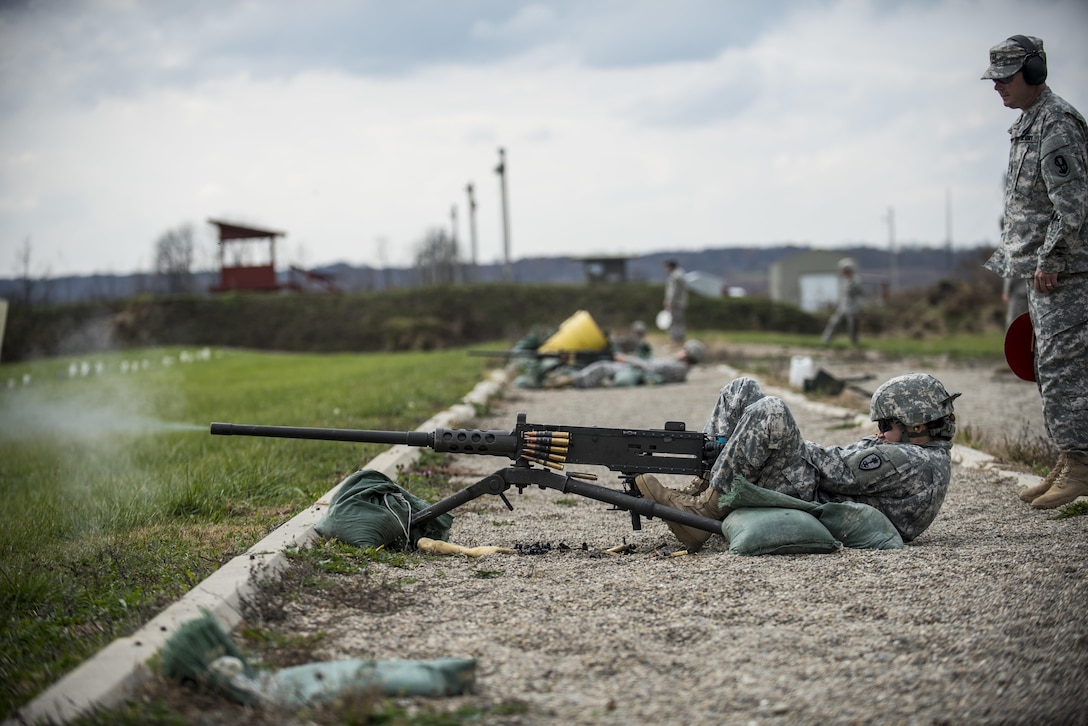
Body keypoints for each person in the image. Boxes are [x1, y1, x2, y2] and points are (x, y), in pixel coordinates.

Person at [636, 373, 960, 552]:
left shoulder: (911, 460)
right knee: (743, 389)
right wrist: (742, 442)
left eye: (886, 425)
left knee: (772, 411)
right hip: (814, 488)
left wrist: (759, 439)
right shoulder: (916, 454)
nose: (879, 432)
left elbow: (833, 469)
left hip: (815, 500)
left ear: (917, 426)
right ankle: (705, 488)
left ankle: (702, 512)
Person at [980, 35, 1088, 509]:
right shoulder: (1030, 123)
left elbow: (1073, 205)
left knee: (1065, 368)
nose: (998, 88)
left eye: (1005, 78)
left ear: (1034, 73)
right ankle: (1070, 458)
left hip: (1065, 273)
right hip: (1043, 271)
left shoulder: (1057, 124)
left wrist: (1052, 259)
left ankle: (1081, 468)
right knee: (1050, 367)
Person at [546, 339, 707, 389]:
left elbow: (650, 367)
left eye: (684, 349)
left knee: (602, 366)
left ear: (688, 354)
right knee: (602, 364)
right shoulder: (679, 367)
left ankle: (571, 381)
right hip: (638, 370)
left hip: (637, 371)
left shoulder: (678, 368)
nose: (680, 350)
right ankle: (567, 377)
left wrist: (626, 359)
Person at [821, 257, 864, 345]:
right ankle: (826, 340)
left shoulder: (856, 282)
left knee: (852, 327)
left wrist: (858, 311)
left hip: (853, 309)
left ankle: (854, 343)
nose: (842, 272)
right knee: (834, 322)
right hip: (843, 307)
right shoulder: (845, 281)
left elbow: (859, 297)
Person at [663, 260, 688, 346]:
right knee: (678, 321)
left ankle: (675, 339)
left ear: (670, 267)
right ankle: (679, 338)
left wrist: (670, 302)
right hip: (680, 302)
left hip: (676, 303)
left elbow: (673, 291)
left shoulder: (675, 276)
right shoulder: (680, 274)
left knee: (674, 322)